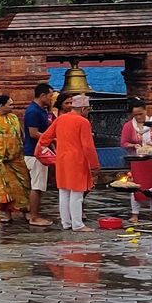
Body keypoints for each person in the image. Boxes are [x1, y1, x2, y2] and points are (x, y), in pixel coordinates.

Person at [0, 96, 47, 227]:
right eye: (9, 105)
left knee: (23, 185)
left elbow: (21, 135)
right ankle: (7, 213)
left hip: (17, 158)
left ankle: (25, 211)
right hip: (1, 161)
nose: (12, 107)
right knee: (4, 189)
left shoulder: (14, 118)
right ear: (1, 106)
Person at [37, 94, 101, 231]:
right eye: (88, 109)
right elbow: (88, 146)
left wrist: (39, 152)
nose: (88, 112)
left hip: (61, 159)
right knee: (77, 193)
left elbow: (45, 137)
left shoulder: (60, 119)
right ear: (83, 108)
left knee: (64, 192)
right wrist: (95, 165)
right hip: (77, 160)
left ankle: (66, 223)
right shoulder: (83, 122)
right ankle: (78, 224)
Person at [121, 99, 152, 224]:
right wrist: (133, 145)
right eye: (135, 115)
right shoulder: (129, 126)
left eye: (140, 114)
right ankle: (135, 214)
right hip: (138, 161)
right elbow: (124, 142)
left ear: (145, 110)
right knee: (136, 186)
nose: (139, 117)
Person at [21, 84, 56, 228]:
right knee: (37, 186)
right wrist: (52, 138)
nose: (51, 98)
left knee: (40, 185)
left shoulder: (41, 110)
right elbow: (33, 133)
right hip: (34, 153)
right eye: (49, 95)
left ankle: (34, 213)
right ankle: (34, 217)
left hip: (40, 151)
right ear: (42, 96)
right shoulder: (33, 112)